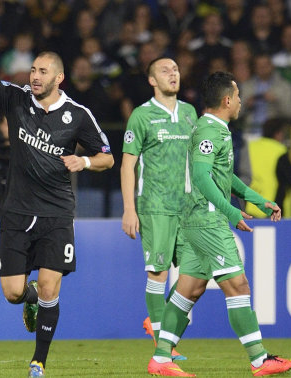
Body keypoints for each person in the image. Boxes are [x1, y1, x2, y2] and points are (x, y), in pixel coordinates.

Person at [0, 26, 114, 377]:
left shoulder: (78, 116)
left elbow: (107, 158)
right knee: (12, 292)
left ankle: (38, 362)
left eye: (42, 71)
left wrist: (83, 161)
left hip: (57, 213)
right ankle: (30, 298)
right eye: (33, 70)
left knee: (52, 287)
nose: (35, 77)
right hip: (17, 212)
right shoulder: (17, 99)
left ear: (59, 78)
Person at [147, 71, 291, 377]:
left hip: (198, 220)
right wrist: (232, 213)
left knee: (189, 289)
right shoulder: (208, 131)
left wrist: (256, 200)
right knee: (238, 285)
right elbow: (203, 177)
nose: (241, 102)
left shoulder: (214, 129)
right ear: (227, 100)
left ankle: (161, 358)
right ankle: (260, 360)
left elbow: (223, 175)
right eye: (239, 96)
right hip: (207, 221)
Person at [120, 56, 198, 363]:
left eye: (176, 69)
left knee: (196, 273)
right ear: (152, 80)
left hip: (188, 208)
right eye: (165, 70)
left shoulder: (191, 113)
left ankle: (157, 322)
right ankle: (162, 351)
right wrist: (129, 209)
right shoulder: (141, 116)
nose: (173, 73)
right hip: (155, 206)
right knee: (159, 272)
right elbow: (128, 164)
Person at [238, 118, 291, 218]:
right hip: (272, 208)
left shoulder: (250, 147)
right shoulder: (279, 150)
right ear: (278, 133)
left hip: (247, 206)